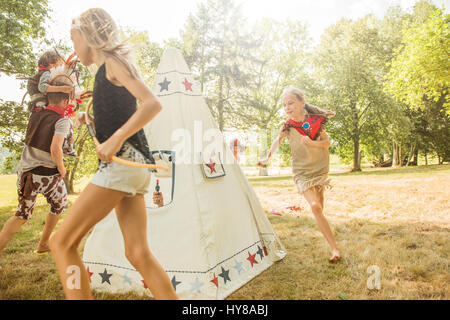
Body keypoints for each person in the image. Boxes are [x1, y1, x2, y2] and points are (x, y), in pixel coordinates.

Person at [49, 8, 178, 300]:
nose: (73, 48)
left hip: (123, 164)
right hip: (134, 167)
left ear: (85, 35)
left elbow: (152, 104)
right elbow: (121, 113)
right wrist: (93, 120)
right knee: (137, 252)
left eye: (73, 40)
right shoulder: (106, 71)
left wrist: (115, 139)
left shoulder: (114, 63)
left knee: (62, 244)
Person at [258, 86, 341, 262]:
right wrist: (267, 158)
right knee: (315, 207)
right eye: (284, 105)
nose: (287, 108)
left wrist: (312, 143)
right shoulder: (288, 126)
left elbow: (326, 144)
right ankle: (335, 249)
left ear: (302, 102)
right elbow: (277, 141)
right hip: (301, 172)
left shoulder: (314, 122)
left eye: (291, 103)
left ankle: (321, 225)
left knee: (319, 205)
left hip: (319, 168)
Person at [0, 76, 74, 268]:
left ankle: (43, 244)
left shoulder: (35, 114)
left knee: (31, 212)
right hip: (46, 174)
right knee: (53, 207)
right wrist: (62, 167)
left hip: (29, 175)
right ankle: (42, 243)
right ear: (66, 101)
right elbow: (55, 148)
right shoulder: (62, 121)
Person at [27, 50, 77, 157]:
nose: (60, 68)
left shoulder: (43, 73)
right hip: (40, 103)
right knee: (65, 122)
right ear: (51, 64)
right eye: (59, 65)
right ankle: (67, 147)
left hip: (38, 104)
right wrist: (62, 88)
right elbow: (42, 87)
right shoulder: (46, 73)